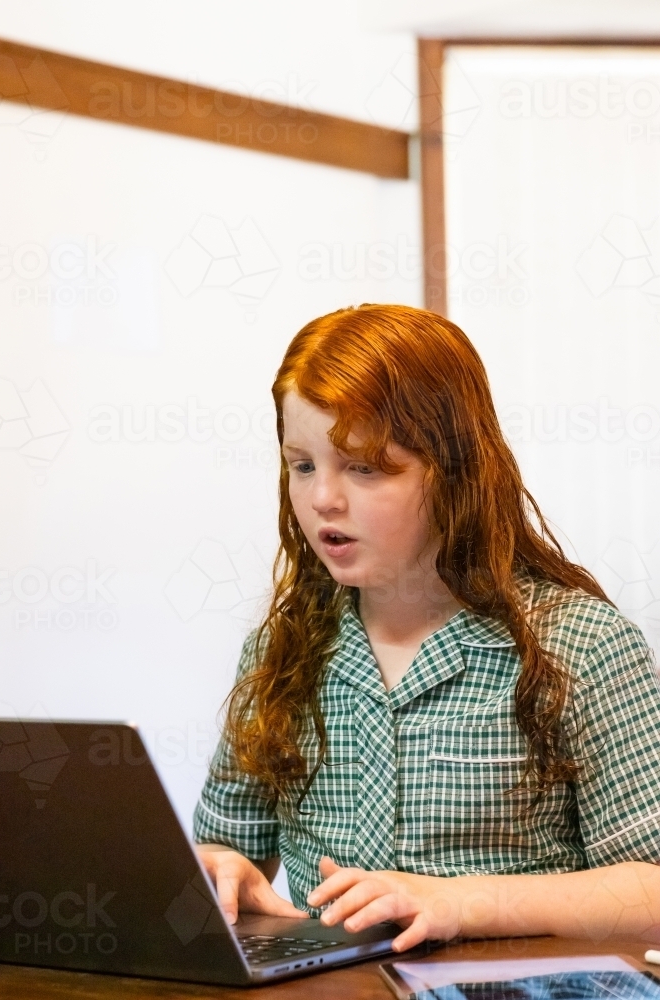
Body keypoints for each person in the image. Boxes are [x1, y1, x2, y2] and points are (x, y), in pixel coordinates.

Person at [194, 304, 660, 951]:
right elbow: (224, 845)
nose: (323, 497)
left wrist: (459, 902)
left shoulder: (579, 644)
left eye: (363, 467)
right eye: (302, 465)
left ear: (456, 474)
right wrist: (218, 870)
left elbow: (651, 892)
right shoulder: (282, 648)